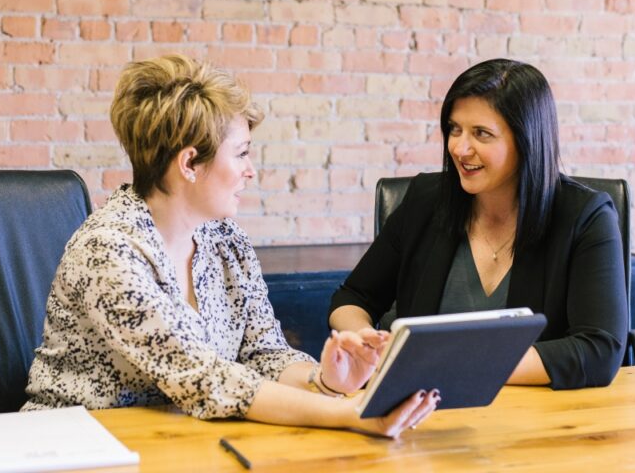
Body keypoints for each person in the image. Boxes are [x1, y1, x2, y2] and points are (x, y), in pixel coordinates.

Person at [23, 54, 437, 437]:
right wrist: (350, 413)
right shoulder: (109, 251)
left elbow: (264, 353)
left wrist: (326, 380)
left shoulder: (225, 240)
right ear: (189, 163)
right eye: (240, 154)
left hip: (182, 440)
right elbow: (205, 379)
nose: (251, 171)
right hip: (75, 446)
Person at [329, 58, 628, 389]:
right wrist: (365, 342)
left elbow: (599, 350)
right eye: (455, 129)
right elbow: (353, 297)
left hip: (536, 416)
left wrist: (451, 364)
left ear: (527, 140)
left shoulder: (585, 216)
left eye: (481, 134)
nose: (459, 148)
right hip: (421, 411)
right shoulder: (426, 201)